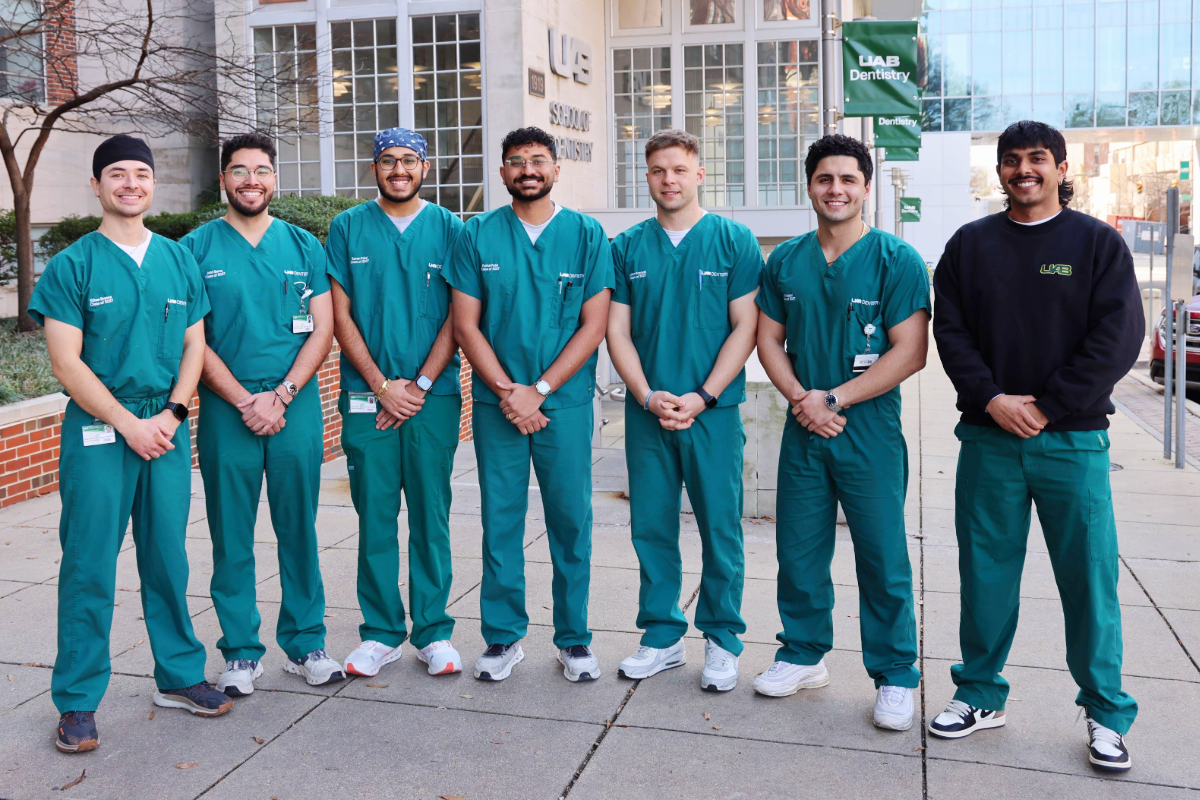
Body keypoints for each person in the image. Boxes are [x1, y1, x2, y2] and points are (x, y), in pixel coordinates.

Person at [929, 120, 1142, 771]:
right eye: (1012, 161)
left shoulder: (1096, 244)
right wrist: (993, 398)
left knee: (1090, 582)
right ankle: (980, 694)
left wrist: (1049, 405)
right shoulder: (970, 246)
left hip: (1071, 444)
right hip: (989, 442)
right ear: (998, 171)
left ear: (1059, 166)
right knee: (986, 574)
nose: (1025, 170)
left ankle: (1106, 714)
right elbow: (953, 332)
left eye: (1037, 160)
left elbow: (1118, 336)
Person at [30, 135, 233, 753]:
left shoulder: (177, 261)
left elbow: (195, 346)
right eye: (116, 174)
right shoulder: (73, 265)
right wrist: (127, 422)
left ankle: (178, 676)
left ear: (152, 185)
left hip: (165, 427)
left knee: (168, 557)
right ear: (96, 186)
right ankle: (78, 700)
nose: (130, 183)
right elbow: (67, 364)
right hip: (100, 431)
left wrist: (172, 412)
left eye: (140, 173)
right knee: (89, 564)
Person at [754, 134, 929, 730]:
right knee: (798, 551)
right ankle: (802, 654)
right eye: (825, 179)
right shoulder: (785, 261)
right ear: (809, 185)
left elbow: (910, 352)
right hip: (804, 426)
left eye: (848, 180)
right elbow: (767, 340)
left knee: (882, 556)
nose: (836, 189)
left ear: (865, 187)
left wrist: (834, 397)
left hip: (868, 429)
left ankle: (896, 675)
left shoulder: (895, 260)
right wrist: (803, 398)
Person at [445, 127, 613, 683]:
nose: (527, 170)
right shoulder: (477, 236)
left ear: (556, 169)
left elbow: (594, 327)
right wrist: (508, 393)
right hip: (498, 406)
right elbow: (466, 326)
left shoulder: (588, 235)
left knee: (571, 521)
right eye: (515, 162)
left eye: (538, 160)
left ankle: (574, 639)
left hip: (561, 406)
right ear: (502, 173)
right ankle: (502, 638)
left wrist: (537, 392)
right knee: (501, 521)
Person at [180, 133, 342, 694]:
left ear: (275, 179)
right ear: (223, 179)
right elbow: (191, 338)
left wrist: (284, 394)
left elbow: (324, 329)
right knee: (232, 534)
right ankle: (242, 652)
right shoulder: (194, 249)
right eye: (240, 170)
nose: (252, 180)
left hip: (293, 406)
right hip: (229, 410)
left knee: (298, 527)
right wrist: (247, 400)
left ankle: (306, 643)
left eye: (263, 170)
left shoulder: (303, 245)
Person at [607, 129, 762, 692]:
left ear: (699, 175)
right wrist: (647, 395)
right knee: (651, 526)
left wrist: (704, 396)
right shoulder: (626, 247)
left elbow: (746, 326)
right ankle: (662, 637)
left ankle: (722, 639)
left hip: (713, 414)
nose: (667, 179)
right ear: (645, 178)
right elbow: (616, 331)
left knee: (722, 528)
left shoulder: (734, 240)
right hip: (648, 412)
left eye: (678, 169)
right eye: (656, 171)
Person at [326, 128, 465, 678]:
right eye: (388, 160)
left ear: (425, 168)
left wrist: (420, 386)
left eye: (410, 160)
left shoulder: (453, 229)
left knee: (432, 515)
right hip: (368, 396)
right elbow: (340, 315)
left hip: (434, 398)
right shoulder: (348, 227)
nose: (399, 170)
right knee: (375, 515)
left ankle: (434, 633)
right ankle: (380, 632)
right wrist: (383, 386)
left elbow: (462, 314)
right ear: (374, 167)